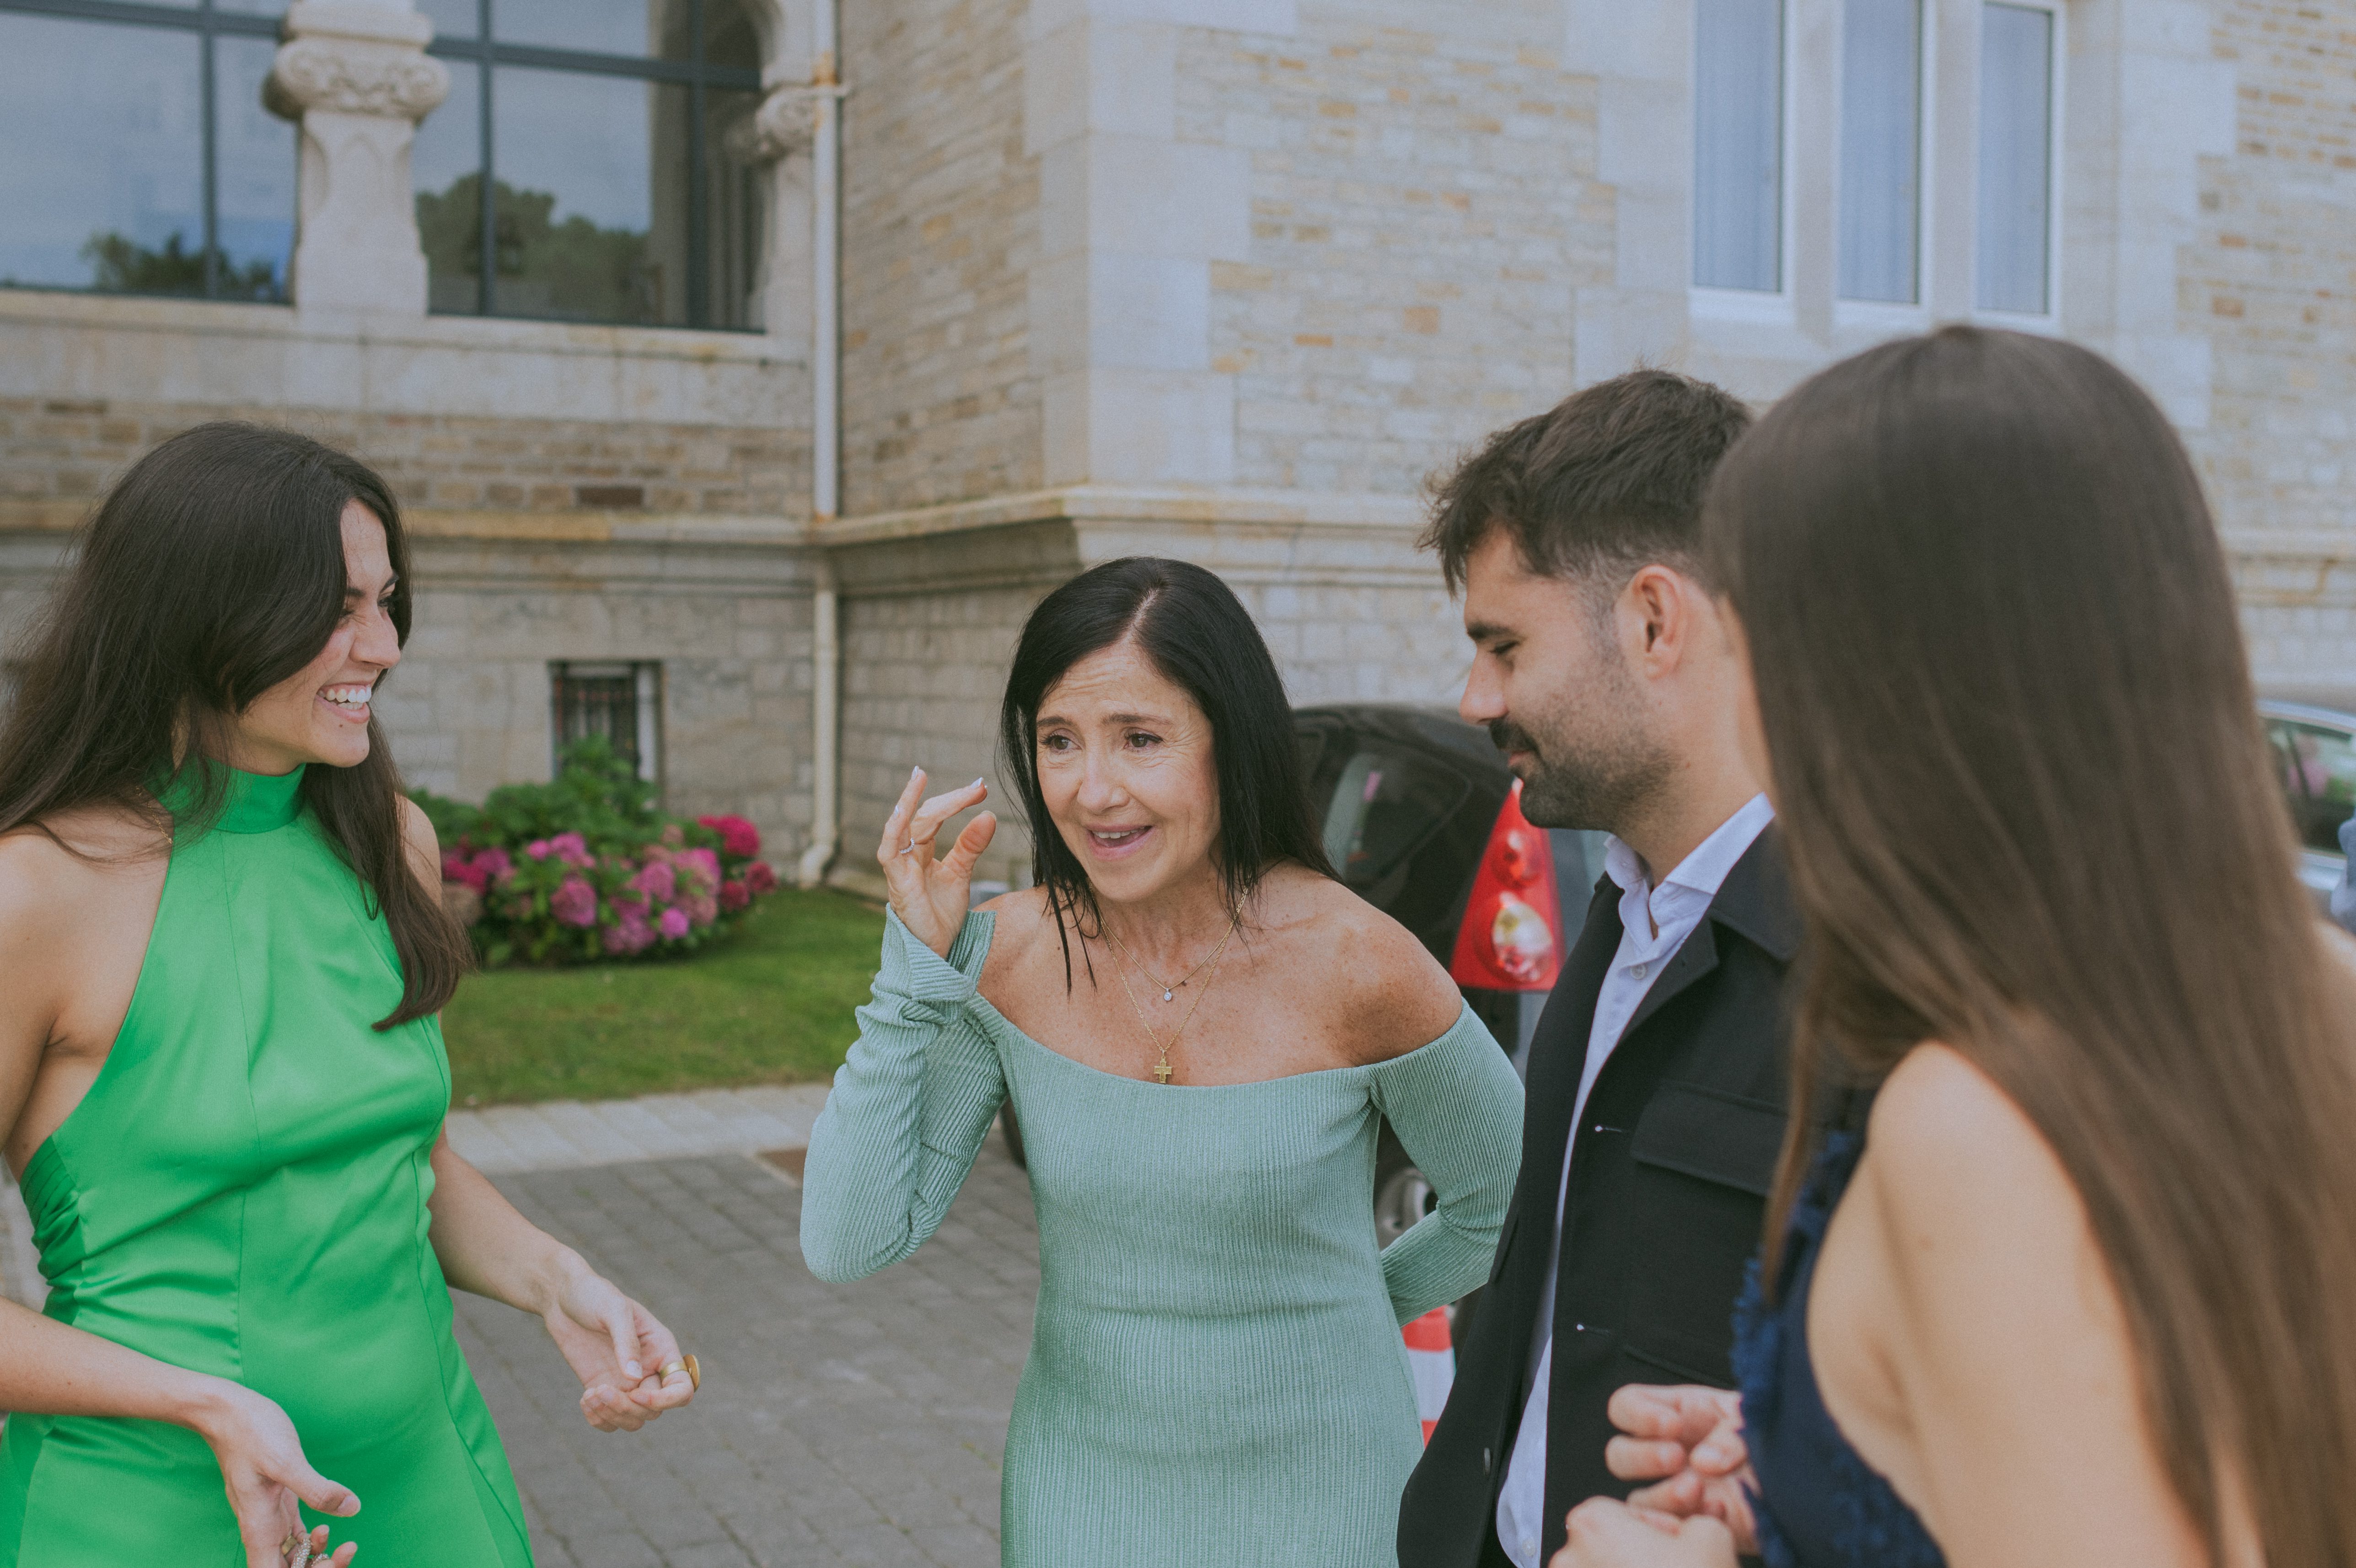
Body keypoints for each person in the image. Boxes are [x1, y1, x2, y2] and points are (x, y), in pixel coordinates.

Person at [1558, 326, 2356, 1568]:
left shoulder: (1976, 1118)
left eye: (1752, 641)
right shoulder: (2317, 993)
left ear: (1868, 688)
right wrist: (1834, 1458)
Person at [0, 423, 698, 1568]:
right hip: (150, 1513)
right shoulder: (36, 891)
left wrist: (557, 1280)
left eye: (386, 600)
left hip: (429, 1485)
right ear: (199, 616)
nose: (382, 643)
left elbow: (393, 1153)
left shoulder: (388, 840)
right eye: (336, 609)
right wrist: (204, 1402)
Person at [798, 557, 1522, 1568]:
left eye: (1139, 738)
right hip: (1083, 1498)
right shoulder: (1001, 957)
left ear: (1232, 745)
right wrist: (910, 977)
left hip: (1325, 1492)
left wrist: (1344, 1313)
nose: (1093, 790)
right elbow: (848, 1237)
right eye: (1059, 740)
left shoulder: (1358, 960)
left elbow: (1509, 1200)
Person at [1396, 369, 1800, 1568]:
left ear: (1654, 621)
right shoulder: (1624, 915)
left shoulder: (1875, 981)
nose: (1475, 696)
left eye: (1503, 643)